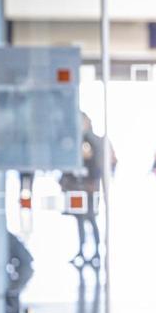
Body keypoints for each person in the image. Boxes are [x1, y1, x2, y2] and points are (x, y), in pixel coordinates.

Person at [60, 112, 114, 268]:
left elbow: (97, 164)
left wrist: (94, 182)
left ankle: (96, 251)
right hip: (77, 188)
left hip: (88, 188)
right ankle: (82, 250)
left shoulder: (92, 140)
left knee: (90, 218)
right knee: (79, 218)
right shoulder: (76, 140)